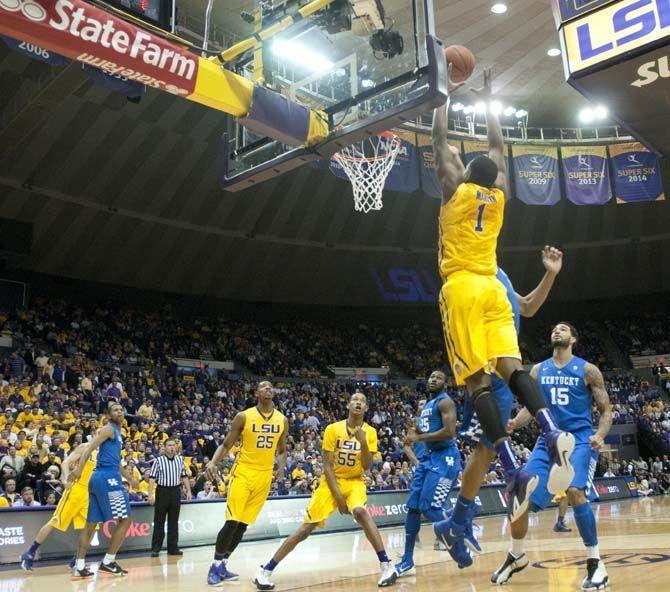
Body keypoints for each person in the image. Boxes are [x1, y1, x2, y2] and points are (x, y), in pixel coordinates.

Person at [431, 65, 574, 566]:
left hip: (464, 290)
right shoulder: (499, 196)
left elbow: (440, 139)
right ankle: (549, 432)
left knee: (475, 389)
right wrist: (492, 96)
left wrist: (441, 90)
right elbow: (497, 147)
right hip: (492, 292)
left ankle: (507, 476)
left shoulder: (455, 187)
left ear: (465, 174)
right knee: (511, 375)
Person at [439, 247, 563, 555]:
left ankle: (457, 523)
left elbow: (529, 307)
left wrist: (550, 273)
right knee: (486, 450)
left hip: (504, 368)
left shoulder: (500, 275)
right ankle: (457, 522)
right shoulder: (469, 271)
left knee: (486, 450)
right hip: (485, 366)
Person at [492, 323, 612, 590]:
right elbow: (530, 408)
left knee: (575, 490)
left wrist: (600, 435)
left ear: (574, 338)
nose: (557, 332)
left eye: (563, 330)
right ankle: (516, 555)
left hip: (579, 439)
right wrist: (514, 423)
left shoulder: (588, 369)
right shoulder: (538, 370)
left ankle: (596, 564)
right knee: (520, 495)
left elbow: (606, 412)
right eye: (554, 330)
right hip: (547, 440)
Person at [253, 392, 397, 590]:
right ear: (348, 405)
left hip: (355, 481)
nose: (358, 402)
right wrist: (338, 498)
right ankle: (265, 570)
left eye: (362, 401)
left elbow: (366, 466)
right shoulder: (333, 429)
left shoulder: (370, 432)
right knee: (305, 529)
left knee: (361, 512)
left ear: (366, 408)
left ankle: (386, 565)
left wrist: (363, 443)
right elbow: (327, 467)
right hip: (330, 483)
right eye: (354, 399)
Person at [204, 381, 288, 586]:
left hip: (264, 476)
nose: (268, 388)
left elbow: (283, 449)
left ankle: (223, 563)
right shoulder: (244, 416)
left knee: (242, 525)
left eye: (270, 386)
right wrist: (213, 462)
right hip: (243, 473)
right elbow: (226, 444)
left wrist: (281, 467)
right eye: (263, 386)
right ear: (257, 393)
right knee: (232, 520)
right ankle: (214, 566)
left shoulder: (282, 420)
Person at [395, 371, 459, 576]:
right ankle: (407, 560)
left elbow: (449, 432)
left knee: (430, 507)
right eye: (431, 377)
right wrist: (414, 438)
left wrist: (420, 438)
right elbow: (413, 437)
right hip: (427, 460)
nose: (433, 380)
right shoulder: (425, 409)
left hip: (444, 457)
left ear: (445, 384)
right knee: (413, 508)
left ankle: (458, 536)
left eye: (438, 378)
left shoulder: (445, 402)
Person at [69, 403, 137, 579]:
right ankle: (108, 561)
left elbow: (115, 462)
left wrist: (130, 478)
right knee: (126, 519)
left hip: (101, 477)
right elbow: (90, 447)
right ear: (108, 414)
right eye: (115, 409)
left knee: (91, 524)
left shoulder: (117, 432)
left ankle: (79, 566)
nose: (120, 411)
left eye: (121, 409)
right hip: (107, 478)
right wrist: (78, 469)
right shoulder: (108, 429)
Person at [19, 443, 95, 572]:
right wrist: (65, 479)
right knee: (55, 521)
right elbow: (66, 462)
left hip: (89, 493)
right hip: (75, 490)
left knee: (92, 527)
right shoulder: (85, 447)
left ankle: (77, 559)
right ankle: (29, 553)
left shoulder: (103, 453)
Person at [148, 439, 192, 557]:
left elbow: (184, 476)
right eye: (169, 445)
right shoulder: (158, 461)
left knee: (174, 521)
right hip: (162, 491)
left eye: (173, 445)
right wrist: (150, 494)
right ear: (164, 447)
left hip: (175, 491)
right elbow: (152, 478)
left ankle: (173, 548)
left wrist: (188, 491)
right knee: (159, 521)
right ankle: (156, 548)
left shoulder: (180, 460)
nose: (172, 447)